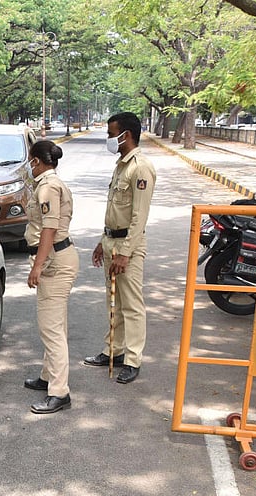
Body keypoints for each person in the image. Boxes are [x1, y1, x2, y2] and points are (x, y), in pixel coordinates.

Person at [84, 112, 156, 384]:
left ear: (125, 134)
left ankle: (133, 359)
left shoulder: (140, 168)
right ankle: (112, 350)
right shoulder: (121, 166)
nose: (109, 138)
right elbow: (115, 211)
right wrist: (102, 242)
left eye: (111, 133)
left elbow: (139, 217)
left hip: (129, 245)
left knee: (132, 304)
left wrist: (125, 253)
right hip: (112, 240)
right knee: (114, 301)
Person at [22, 140, 80, 414]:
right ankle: (48, 376)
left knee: (51, 329)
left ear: (37, 161)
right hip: (59, 258)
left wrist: (38, 265)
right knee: (56, 324)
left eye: (30, 160)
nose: (28, 165)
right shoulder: (51, 183)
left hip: (54, 262)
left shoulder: (47, 187)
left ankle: (59, 392)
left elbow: (49, 229)